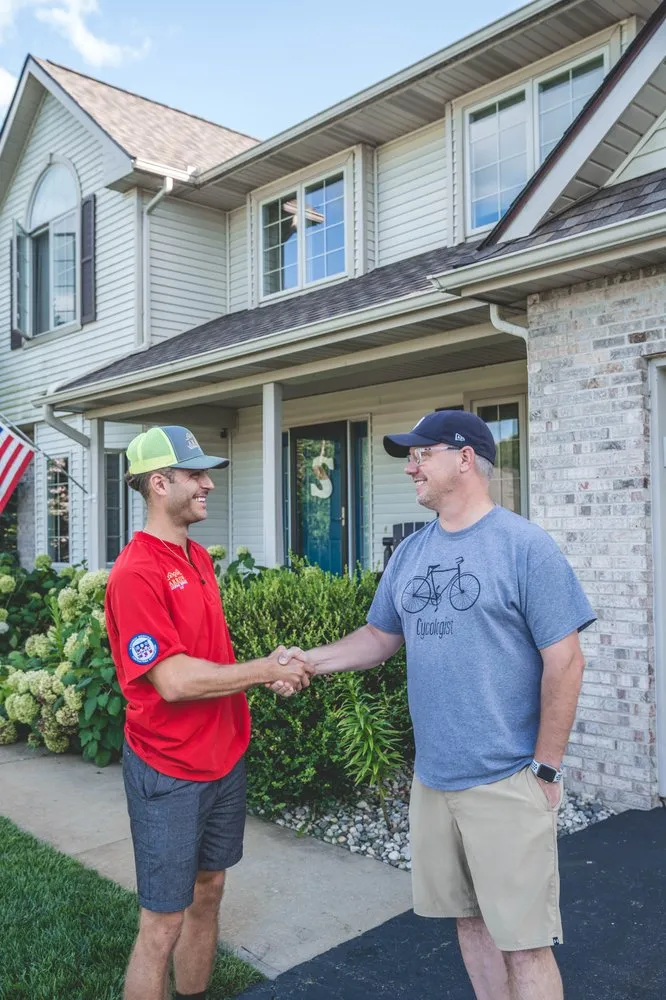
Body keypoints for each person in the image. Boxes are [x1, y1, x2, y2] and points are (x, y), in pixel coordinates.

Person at [279, 410, 595, 1000]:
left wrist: (546, 768)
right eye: (410, 455)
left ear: (466, 458)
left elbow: (567, 661)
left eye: (422, 453)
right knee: (469, 920)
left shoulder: (524, 547)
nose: (411, 466)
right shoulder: (411, 553)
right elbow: (378, 639)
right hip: (434, 781)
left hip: (505, 780)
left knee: (525, 942)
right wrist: (304, 661)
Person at [105, 425, 313, 1000]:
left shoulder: (196, 556)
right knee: (162, 921)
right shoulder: (136, 573)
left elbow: (210, 658)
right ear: (158, 484)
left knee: (210, 888)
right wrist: (266, 669)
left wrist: (264, 676)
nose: (207, 485)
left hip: (222, 760)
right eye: (195, 475)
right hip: (168, 771)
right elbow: (171, 681)